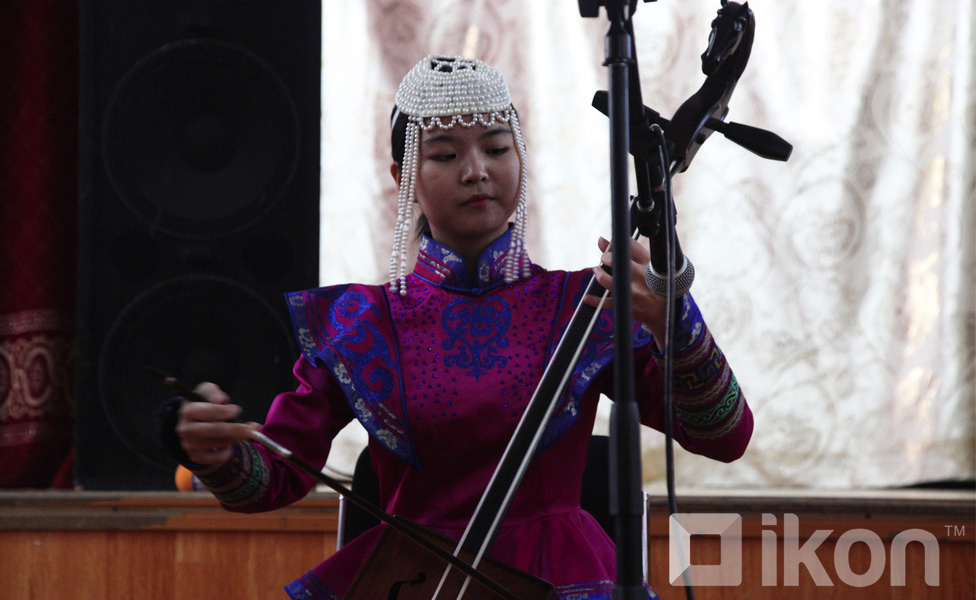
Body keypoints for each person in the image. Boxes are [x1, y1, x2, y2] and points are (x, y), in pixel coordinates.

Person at [158, 55, 753, 600]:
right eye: (445, 155)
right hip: (412, 579)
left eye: (496, 148)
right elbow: (273, 479)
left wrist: (675, 323)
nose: (476, 171)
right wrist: (213, 451)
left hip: (561, 577)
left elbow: (724, 437)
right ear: (404, 175)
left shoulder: (586, 304)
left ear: (520, 157)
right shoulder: (361, 323)